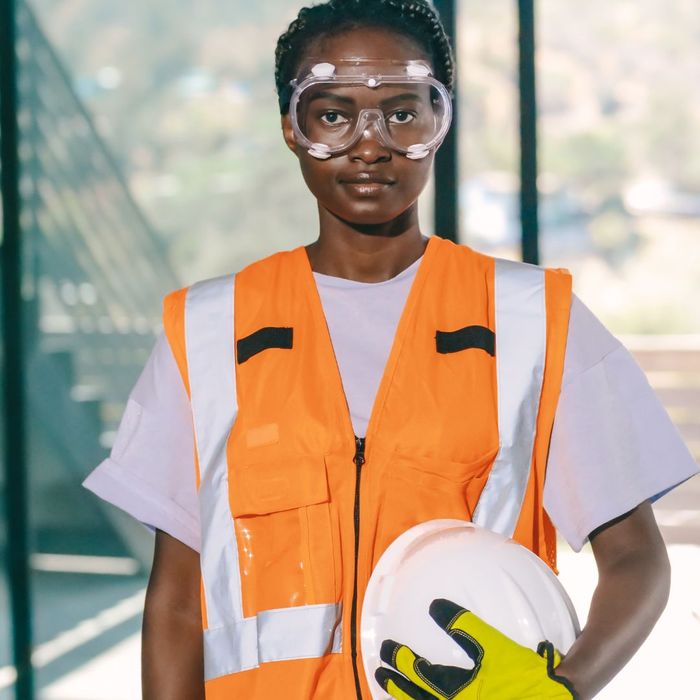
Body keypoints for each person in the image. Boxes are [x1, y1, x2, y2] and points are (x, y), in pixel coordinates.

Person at [83, 1, 698, 699]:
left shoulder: (534, 321)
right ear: (292, 127)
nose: (370, 145)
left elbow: (638, 561)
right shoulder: (205, 331)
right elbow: (177, 602)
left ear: (441, 123)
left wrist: (558, 690)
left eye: (403, 113)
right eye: (334, 113)